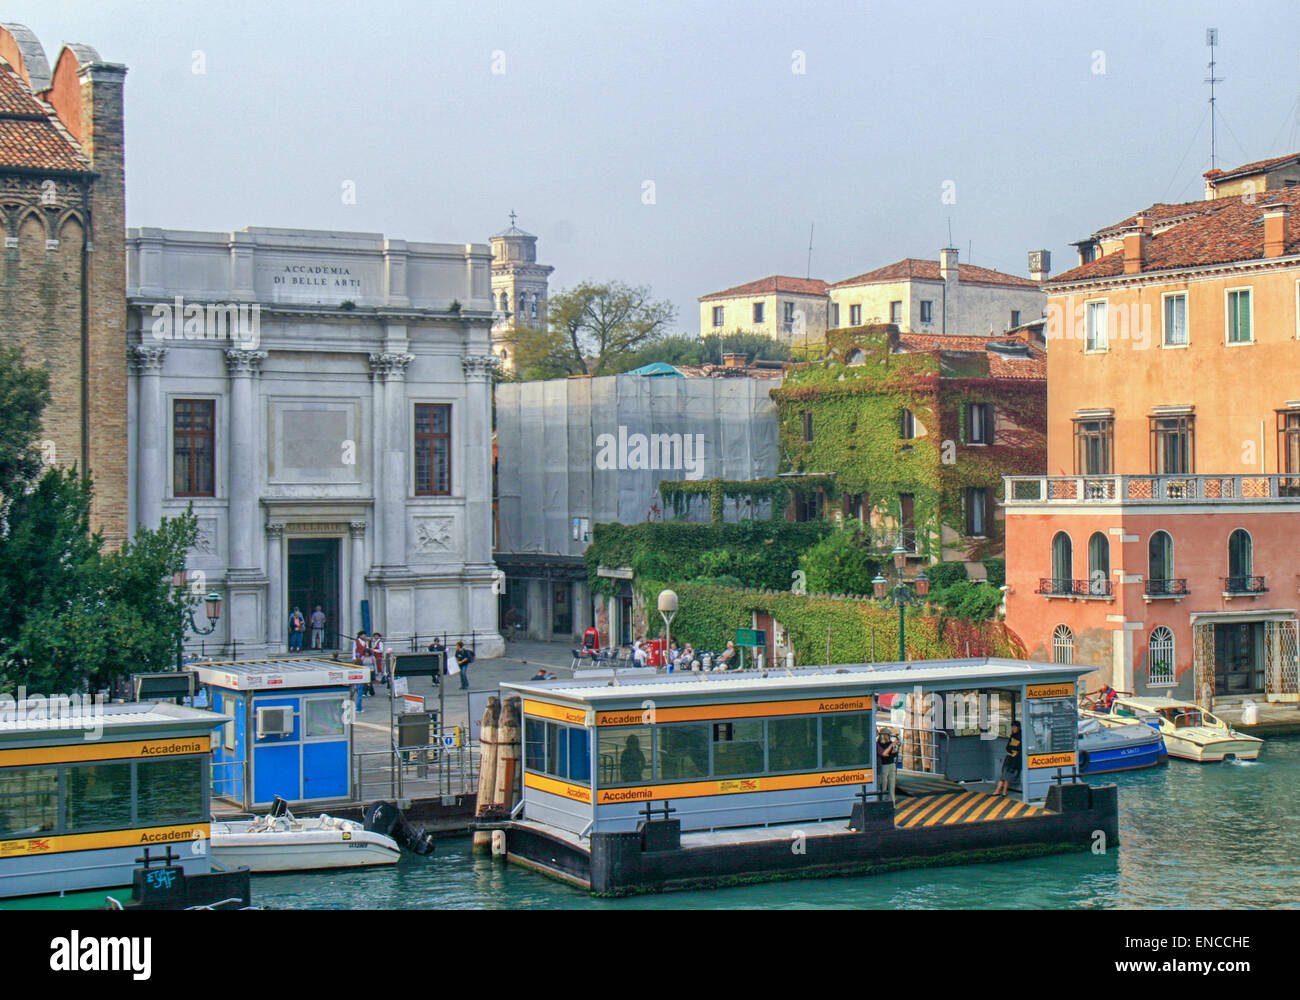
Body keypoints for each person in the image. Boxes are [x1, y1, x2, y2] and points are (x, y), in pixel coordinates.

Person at [995, 721, 1023, 797]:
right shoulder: (1012, 736)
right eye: (1012, 727)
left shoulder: (1021, 736)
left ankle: (999, 790)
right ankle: (1002, 791)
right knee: (1005, 775)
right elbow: (1008, 747)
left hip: (1015, 760)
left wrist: (1013, 749)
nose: (1013, 729)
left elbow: (1019, 749)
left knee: (1005, 775)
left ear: (1018, 727)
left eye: (1014, 727)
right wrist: (1013, 750)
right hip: (1010, 758)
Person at [876, 729, 899, 804]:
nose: (888, 736)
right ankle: (883, 800)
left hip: (891, 764)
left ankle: (892, 802)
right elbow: (885, 755)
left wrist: (894, 749)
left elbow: (893, 754)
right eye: (887, 735)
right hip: (884, 765)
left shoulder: (890, 743)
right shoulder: (879, 744)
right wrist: (891, 747)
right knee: (884, 783)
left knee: (892, 784)